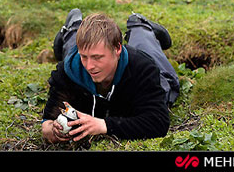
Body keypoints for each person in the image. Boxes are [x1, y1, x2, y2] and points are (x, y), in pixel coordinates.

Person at [42, 9, 180, 143]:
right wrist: (53, 131)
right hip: (82, 56)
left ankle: (140, 25)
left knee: (167, 80)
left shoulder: (143, 69)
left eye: (98, 57)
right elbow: (47, 121)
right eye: (84, 57)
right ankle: (72, 28)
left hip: (136, 63)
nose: (89, 66)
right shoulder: (69, 70)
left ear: (117, 49)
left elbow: (158, 122)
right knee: (75, 56)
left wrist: (104, 125)